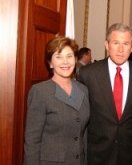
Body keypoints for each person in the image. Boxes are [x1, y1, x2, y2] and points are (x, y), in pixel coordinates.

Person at [77, 23, 132, 165]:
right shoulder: (88, 74)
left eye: (126, 43)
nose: (120, 49)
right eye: (116, 43)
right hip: (97, 153)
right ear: (107, 45)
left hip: (130, 154)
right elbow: (80, 116)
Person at [24, 36, 90, 165]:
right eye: (58, 57)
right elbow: (32, 140)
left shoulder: (83, 90)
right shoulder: (40, 91)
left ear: (75, 59)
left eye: (69, 56)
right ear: (50, 62)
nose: (65, 62)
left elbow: (84, 133)